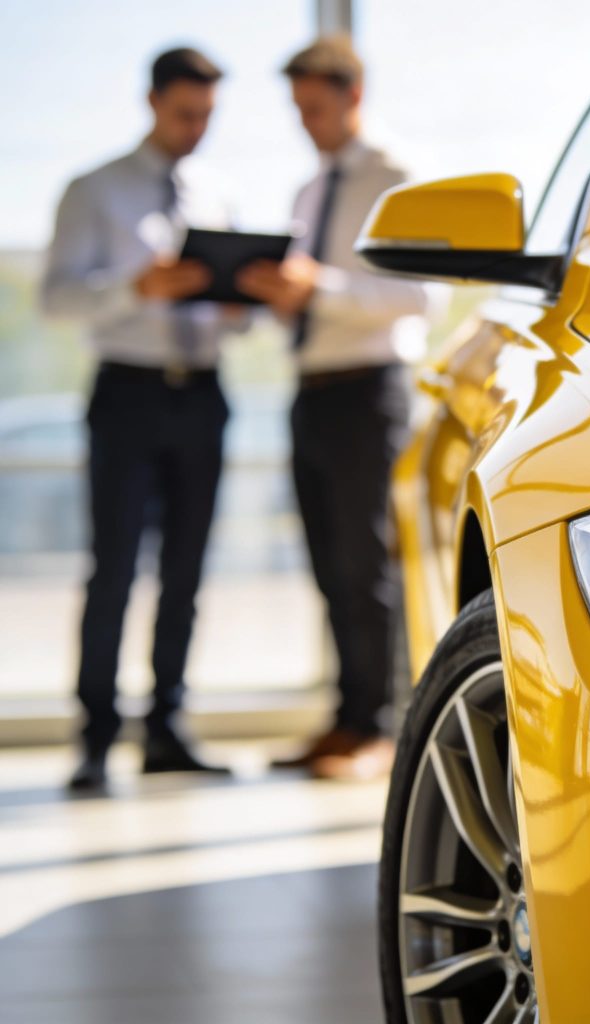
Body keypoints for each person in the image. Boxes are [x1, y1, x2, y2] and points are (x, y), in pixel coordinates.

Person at [42, 47, 241, 791]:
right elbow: (56, 299)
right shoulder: (93, 189)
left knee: (186, 571)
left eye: (207, 115)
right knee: (116, 568)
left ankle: (166, 728)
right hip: (127, 392)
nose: (196, 128)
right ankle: (96, 737)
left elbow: (236, 317)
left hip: (204, 392)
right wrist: (137, 287)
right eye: (185, 113)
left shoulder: (215, 191)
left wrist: (240, 299)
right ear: (153, 102)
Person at [237, 35, 429, 781]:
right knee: (329, 565)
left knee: (367, 564)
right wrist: (278, 295)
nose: (305, 123)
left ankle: (382, 729)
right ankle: (348, 720)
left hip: (369, 392)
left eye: (315, 107)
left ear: (353, 95)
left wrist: (320, 287)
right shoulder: (308, 191)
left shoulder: (397, 179)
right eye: (297, 109)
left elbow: (419, 296)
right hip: (311, 392)